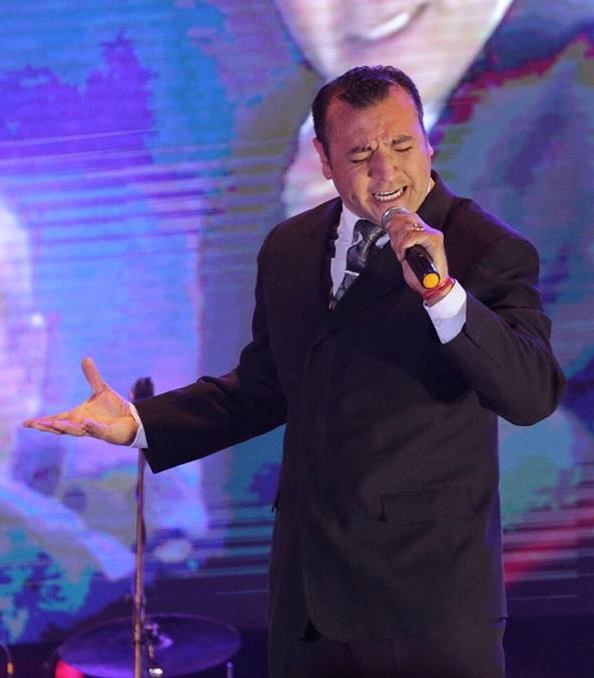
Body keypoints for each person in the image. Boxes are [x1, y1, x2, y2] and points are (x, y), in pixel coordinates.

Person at [25, 66, 565, 677]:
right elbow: (266, 386)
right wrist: (139, 423)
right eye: (360, 155)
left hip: (428, 602)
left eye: (402, 146)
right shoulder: (291, 246)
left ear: (428, 142)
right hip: (309, 595)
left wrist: (442, 293)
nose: (387, 172)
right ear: (325, 160)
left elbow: (530, 393)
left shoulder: (485, 249)